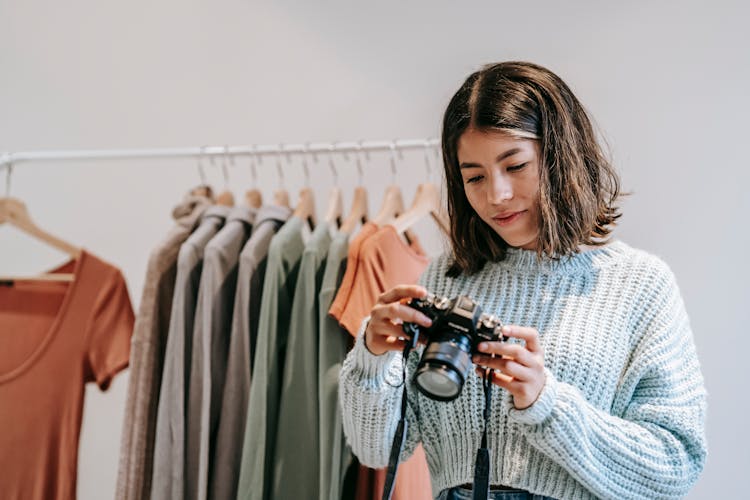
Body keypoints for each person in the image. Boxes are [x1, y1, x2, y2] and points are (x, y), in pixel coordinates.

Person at [339, 61, 707, 500]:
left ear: (560, 156)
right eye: (473, 176)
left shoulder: (640, 284)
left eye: (515, 166)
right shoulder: (446, 278)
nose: (496, 195)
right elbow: (376, 450)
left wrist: (546, 402)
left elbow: (675, 465)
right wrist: (373, 357)